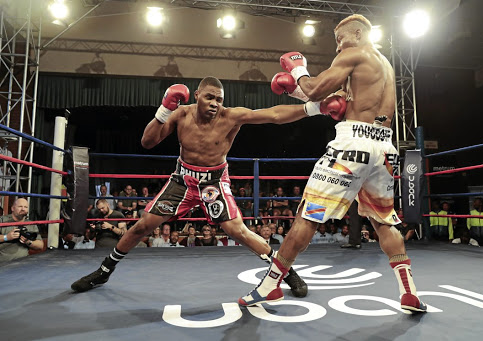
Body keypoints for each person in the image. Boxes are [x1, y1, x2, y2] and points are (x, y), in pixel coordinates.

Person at [239, 14, 427, 313]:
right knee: (383, 220)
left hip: (352, 146)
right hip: (385, 149)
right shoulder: (386, 66)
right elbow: (326, 98)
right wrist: (294, 89)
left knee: (308, 215)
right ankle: (409, 292)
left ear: (357, 32)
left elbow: (314, 89)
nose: (338, 46)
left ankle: (271, 285)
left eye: (340, 38)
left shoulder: (355, 53)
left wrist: (298, 69)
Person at [71, 76, 312, 296]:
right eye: (209, 97)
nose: (215, 103)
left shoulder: (231, 116)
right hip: (182, 181)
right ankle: (104, 271)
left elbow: (274, 115)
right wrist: (165, 109)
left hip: (214, 182)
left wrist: (312, 108)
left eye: (219, 99)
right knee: (141, 226)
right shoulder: (182, 114)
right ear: (197, 95)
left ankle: (286, 272)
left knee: (238, 231)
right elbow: (147, 141)